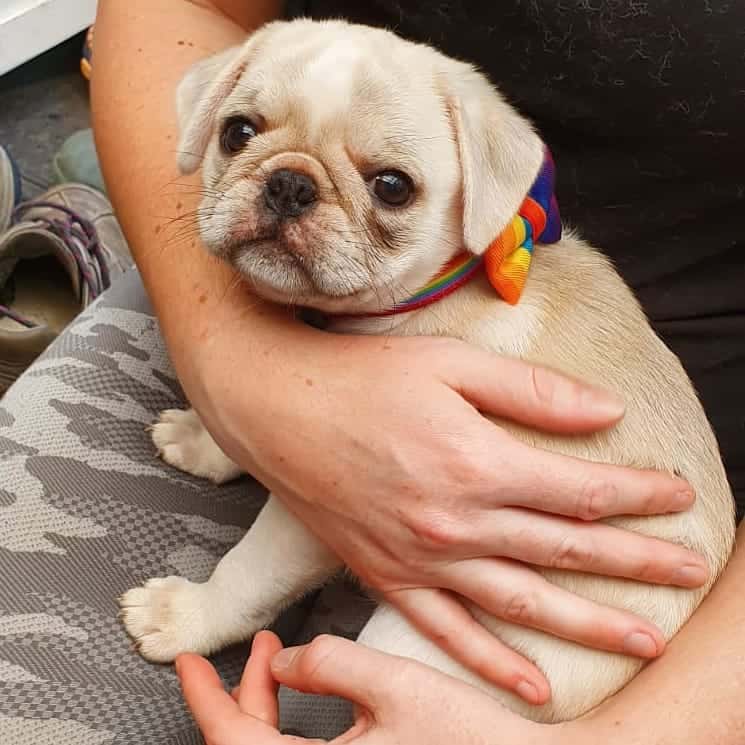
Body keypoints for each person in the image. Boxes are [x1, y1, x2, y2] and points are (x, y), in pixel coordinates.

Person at [0, 1, 741, 743]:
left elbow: (347, 479)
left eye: (388, 187)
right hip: (228, 324)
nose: (289, 191)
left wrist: (211, 607)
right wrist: (228, 378)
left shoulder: (464, 321)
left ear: (480, 197)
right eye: (244, 133)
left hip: (574, 631)